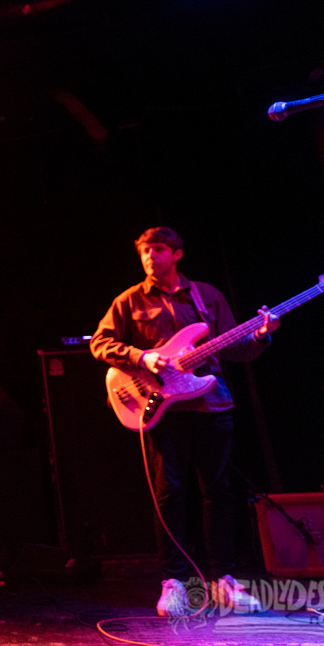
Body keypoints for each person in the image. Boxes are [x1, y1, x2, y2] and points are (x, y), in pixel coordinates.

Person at [89, 226, 278, 618]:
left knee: (218, 493)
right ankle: (173, 582)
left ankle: (224, 581)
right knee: (170, 493)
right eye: (144, 251)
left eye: (157, 250)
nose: (149, 257)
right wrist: (143, 358)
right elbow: (100, 343)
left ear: (177, 254)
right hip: (161, 408)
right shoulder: (128, 301)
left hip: (212, 405)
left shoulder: (206, 296)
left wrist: (260, 335)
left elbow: (236, 348)